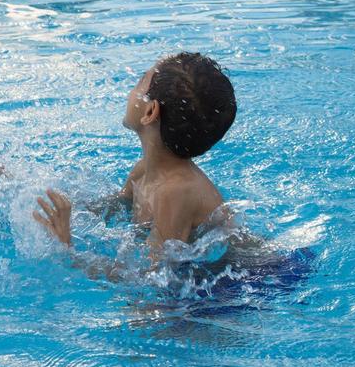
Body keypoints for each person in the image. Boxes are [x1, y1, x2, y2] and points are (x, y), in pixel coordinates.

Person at [34, 51, 237, 258]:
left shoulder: (174, 193)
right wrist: (29, 194)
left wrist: (67, 249)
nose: (131, 90)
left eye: (140, 81)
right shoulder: (143, 171)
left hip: (248, 281)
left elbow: (149, 282)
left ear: (150, 112)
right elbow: (108, 210)